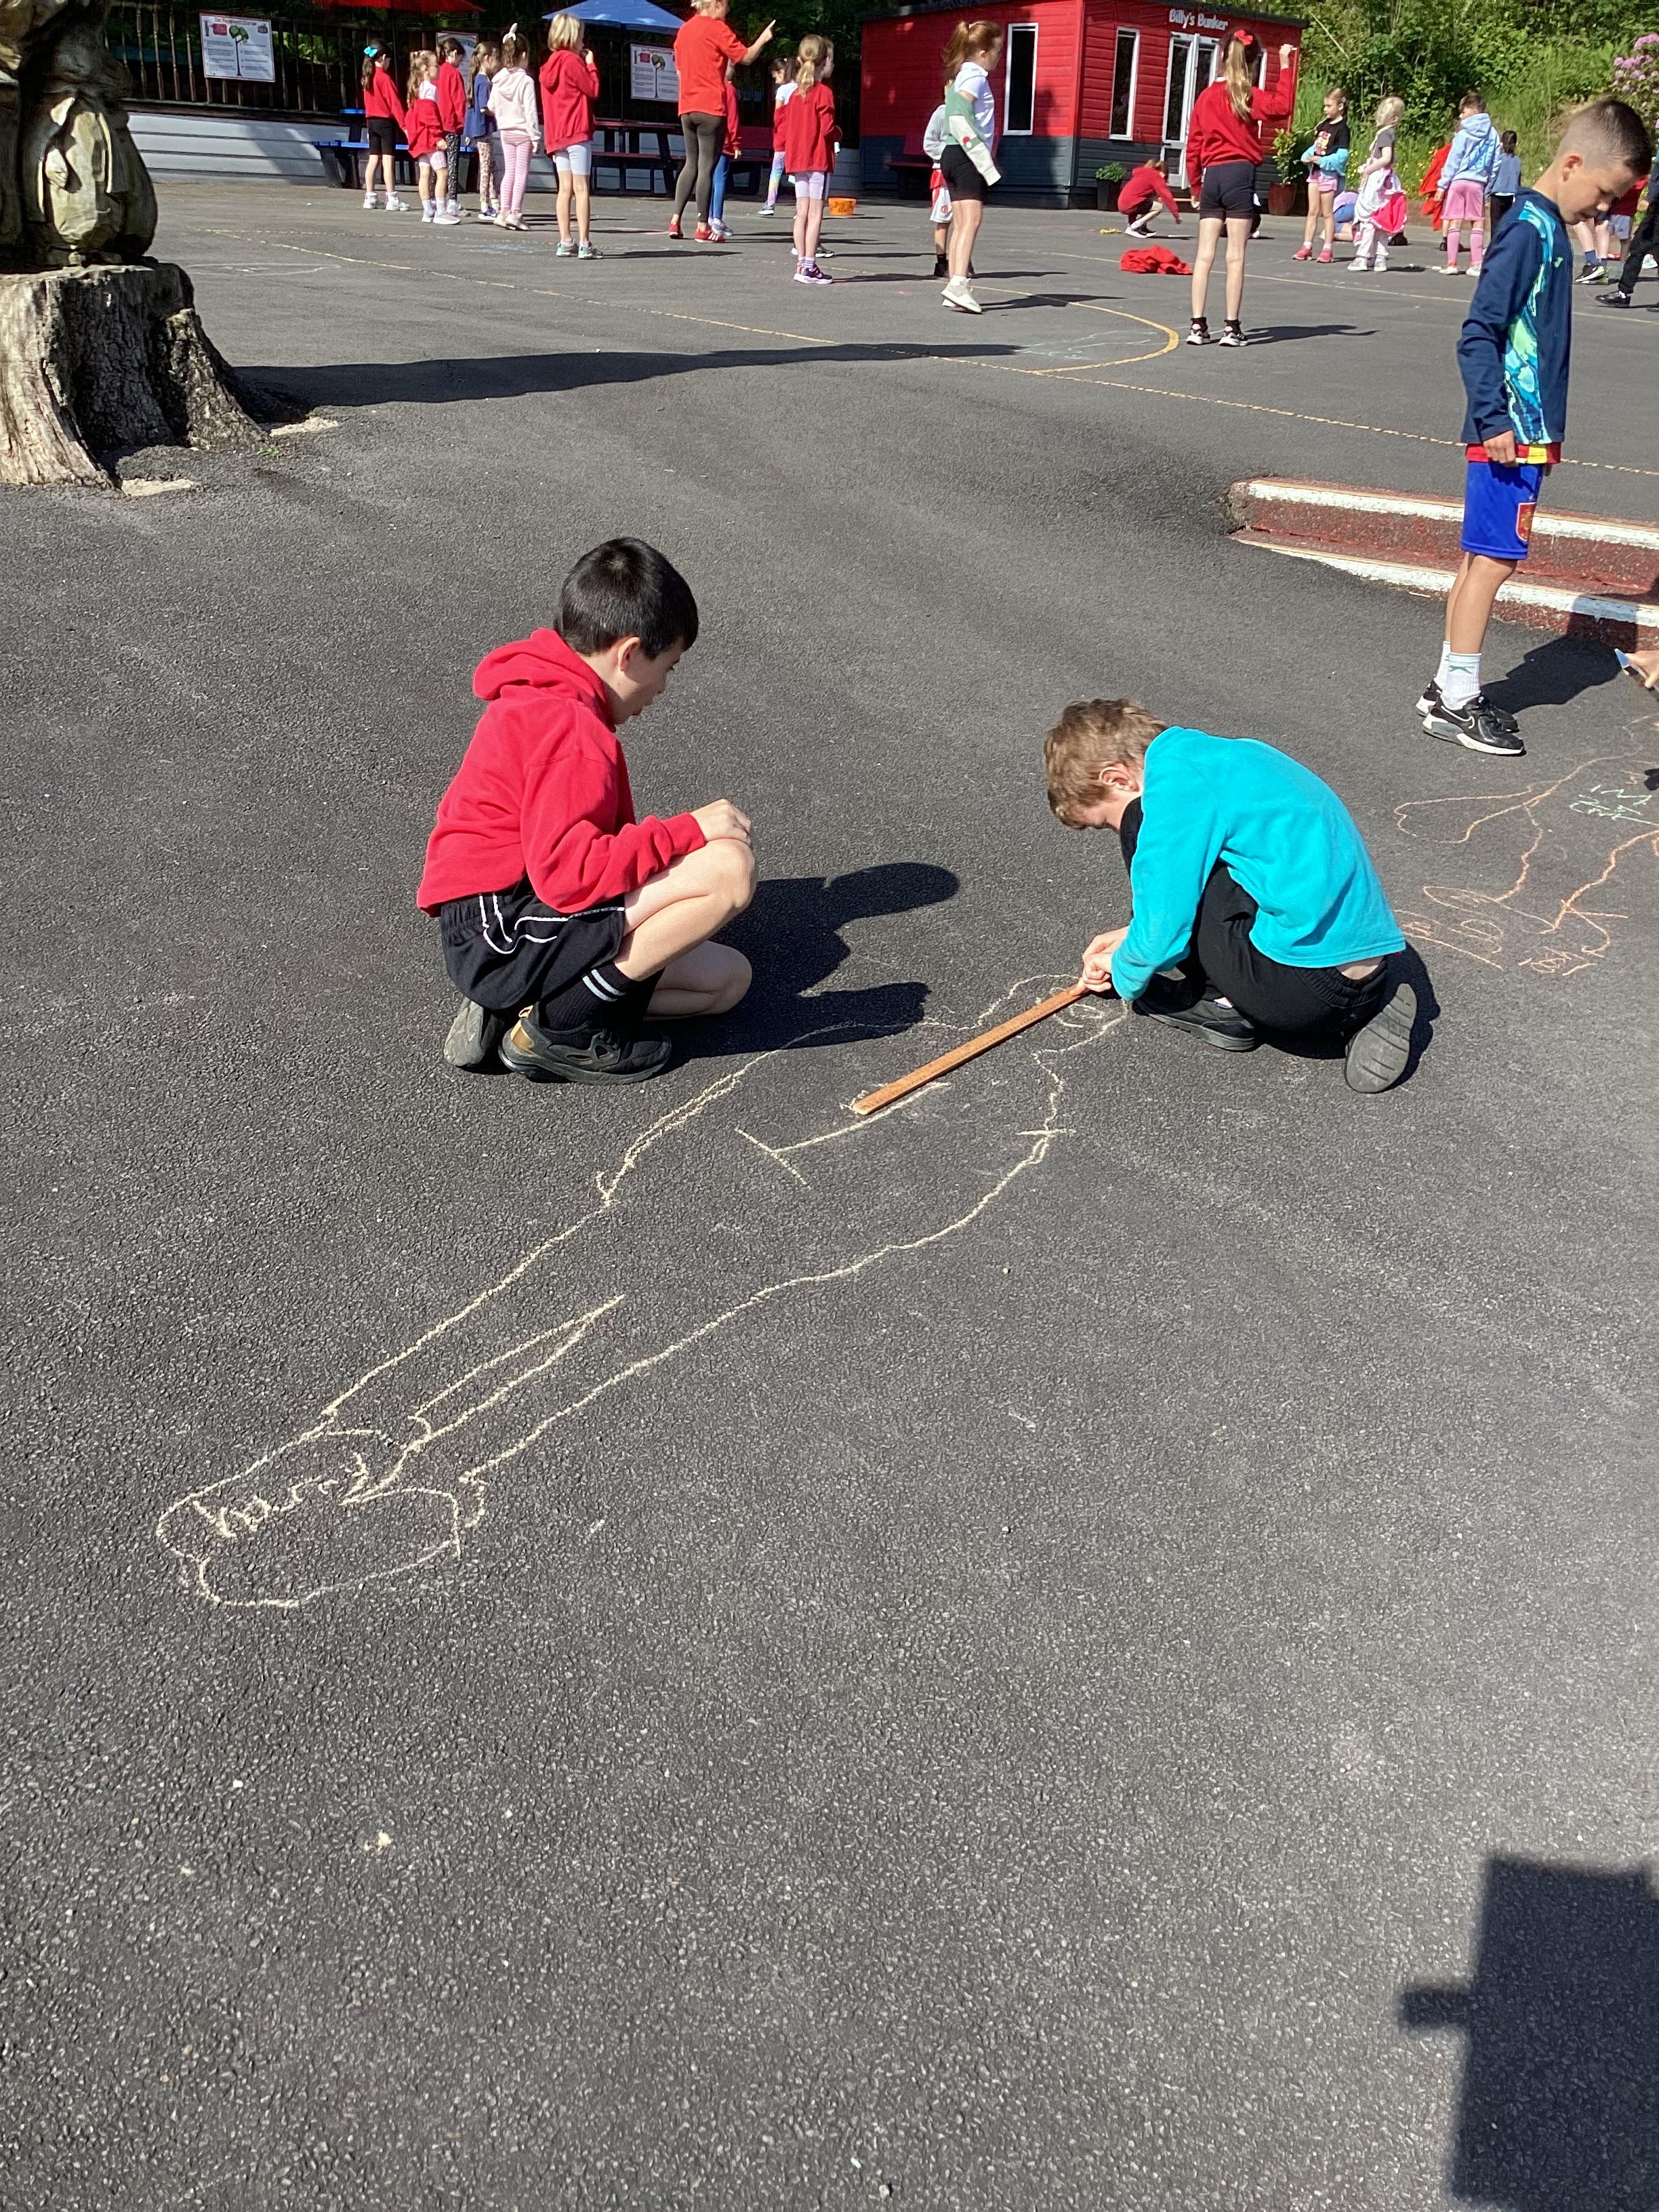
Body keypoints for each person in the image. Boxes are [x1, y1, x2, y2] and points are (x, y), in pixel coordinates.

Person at [419, 539, 756, 1088]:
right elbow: (571, 875)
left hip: (507, 922)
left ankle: (525, 1007)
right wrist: (688, 831)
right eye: (667, 666)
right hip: (503, 934)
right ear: (629, 655)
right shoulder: (571, 728)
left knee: (727, 982)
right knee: (728, 869)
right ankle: (562, 1029)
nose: (662, 687)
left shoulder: (547, 692)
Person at [1417, 99, 1654, 756]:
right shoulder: (1528, 231)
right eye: (1603, 193)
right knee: (1494, 561)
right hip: (1509, 434)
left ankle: (1447, 685)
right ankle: (1458, 701)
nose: (1602, 209)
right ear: (1573, 163)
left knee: (1480, 558)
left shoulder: (1547, 228)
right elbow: (1479, 332)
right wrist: (1495, 417)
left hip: (1526, 431)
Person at [1046, 699, 1416, 1094]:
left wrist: (1124, 970)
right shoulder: (1238, 755)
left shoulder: (1173, 790)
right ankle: (1369, 1008)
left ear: (1118, 779)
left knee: (1143, 823)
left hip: (1301, 993)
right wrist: (1131, 933)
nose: (1114, 833)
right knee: (1210, 859)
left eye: (1106, 823)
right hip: (1367, 965)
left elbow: (1164, 930)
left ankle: (1220, 1002)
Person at [1184, 31, 1298, 346]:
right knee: (1235, 256)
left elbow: (1194, 144)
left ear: (1223, 58)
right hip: (1239, 174)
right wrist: (1285, 65)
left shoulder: (1206, 97)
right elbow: (1282, 107)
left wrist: (1195, 185)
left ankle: (1197, 326)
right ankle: (1231, 328)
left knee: (1204, 254)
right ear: (1251, 63)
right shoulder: (1246, 94)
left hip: (1213, 176)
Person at [670, 0, 774, 241]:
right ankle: (702, 226)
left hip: (687, 106)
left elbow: (680, 71)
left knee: (691, 163)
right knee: (707, 167)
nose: (727, 10)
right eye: (726, 5)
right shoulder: (717, 28)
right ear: (717, 3)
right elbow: (745, 57)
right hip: (710, 107)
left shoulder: (684, 30)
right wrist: (763, 39)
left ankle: (675, 220)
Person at [938, 18, 1003, 314]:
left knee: (962, 223)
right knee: (971, 221)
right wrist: (984, 162)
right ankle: (958, 285)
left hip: (953, 154)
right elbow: (959, 116)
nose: (999, 58)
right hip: (966, 156)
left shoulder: (961, 74)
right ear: (983, 53)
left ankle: (955, 281)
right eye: (997, 52)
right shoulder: (975, 77)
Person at [781, 33, 838, 284]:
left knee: (801, 213)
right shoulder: (823, 93)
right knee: (815, 214)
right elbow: (827, 129)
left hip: (798, 161)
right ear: (823, 61)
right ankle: (810, 266)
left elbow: (786, 129)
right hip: (817, 160)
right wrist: (838, 133)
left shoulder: (794, 96)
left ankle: (801, 265)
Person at [542, 15, 601, 258]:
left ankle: (565, 240)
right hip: (577, 131)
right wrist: (591, 65)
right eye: (581, 37)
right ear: (573, 37)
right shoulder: (573, 62)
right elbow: (593, 89)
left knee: (564, 189)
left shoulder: (548, 65)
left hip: (557, 135)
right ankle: (585, 243)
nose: (583, 41)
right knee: (582, 188)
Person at [488, 27, 541, 233]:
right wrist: (535, 137)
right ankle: (516, 213)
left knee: (509, 171)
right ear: (524, 55)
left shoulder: (498, 79)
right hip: (523, 132)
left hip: (506, 131)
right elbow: (531, 111)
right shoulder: (526, 81)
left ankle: (503, 211)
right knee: (521, 173)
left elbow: (491, 106)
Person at [1439, 94, 1500, 273]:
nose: (1461, 116)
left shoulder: (1463, 134)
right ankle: (1476, 263)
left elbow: (1454, 159)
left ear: (1474, 111)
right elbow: (1496, 162)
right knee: (1478, 223)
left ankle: (1452, 263)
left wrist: (1443, 184)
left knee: (1455, 221)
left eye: (1463, 111)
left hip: (1458, 181)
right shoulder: (1493, 134)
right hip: (1478, 183)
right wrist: (1489, 182)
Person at [1349, 94, 1406, 271]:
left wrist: (1368, 170)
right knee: (1381, 219)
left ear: (1394, 118)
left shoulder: (1385, 134)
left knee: (1369, 218)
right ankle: (1380, 257)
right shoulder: (1388, 133)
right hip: (1385, 179)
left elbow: (1386, 158)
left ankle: (1363, 257)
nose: (1380, 116)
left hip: (1378, 179)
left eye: (1385, 113)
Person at [1293, 87, 1349, 263]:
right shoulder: (1322, 126)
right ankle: (1307, 246)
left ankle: (1327, 248)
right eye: (1325, 106)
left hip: (1329, 174)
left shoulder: (1342, 129)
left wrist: (1322, 161)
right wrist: (1307, 156)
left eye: (1329, 106)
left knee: (1327, 213)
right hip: (1315, 173)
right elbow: (1316, 147)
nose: (1325, 109)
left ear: (1340, 106)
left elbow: (1342, 156)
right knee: (1312, 211)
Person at [405, 52, 455, 226]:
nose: (438, 69)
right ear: (426, 69)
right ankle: (441, 210)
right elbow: (430, 115)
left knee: (424, 174)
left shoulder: (416, 89)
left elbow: (411, 117)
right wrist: (438, 136)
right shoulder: (430, 89)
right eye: (436, 66)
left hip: (420, 140)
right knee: (443, 172)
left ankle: (428, 210)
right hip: (430, 140)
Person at [1599, 171, 1658, 306]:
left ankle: (1624, 292)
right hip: (1655, 207)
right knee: (1637, 248)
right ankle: (1623, 293)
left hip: (1655, 202)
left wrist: (1650, 198)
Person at [360, 43, 406, 213]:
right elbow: (395, 104)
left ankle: (370, 197)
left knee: (373, 159)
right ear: (384, 58)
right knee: (388, 161)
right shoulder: (384, 78)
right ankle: (392, 199)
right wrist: (404, 125)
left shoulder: (368, 77)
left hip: (371, 122)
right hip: (386, 123)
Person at [464, 41, 501, 221]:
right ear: (487, 59)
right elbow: (483, 107)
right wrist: (498, 113)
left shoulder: (477, 79)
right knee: (486, 168)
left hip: (480, 130)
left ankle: (495, 203)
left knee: (491, 166)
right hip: (483, 130)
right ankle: (484, 206)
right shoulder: (483, 81)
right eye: (496, 59)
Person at [434, 38, 468, 223]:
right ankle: (452, 201)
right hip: (452, 124)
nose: (460, 63)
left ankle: (435, 199)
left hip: (438, 124)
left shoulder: (438, 72)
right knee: (453, 164)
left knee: (438, 164)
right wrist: (463, 123)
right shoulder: (454, 74)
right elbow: (460, 101)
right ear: (454, 54)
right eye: (460, 59)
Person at [708, 63, 741, 242]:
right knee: (720, 179)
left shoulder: (710, 87)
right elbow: (733, 118)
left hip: (709, 139)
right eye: (731, 67)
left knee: (710, 178)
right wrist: (736, 143)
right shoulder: (729, 89)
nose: (733, 71)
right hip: (725, 141)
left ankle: (708, 216)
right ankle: (717, 219)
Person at [760, 52, 794, 213]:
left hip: (782, 136)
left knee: (777, 169)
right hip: (797, 136)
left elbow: (778, 114)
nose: (775, 81)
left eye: (776, 77)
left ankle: (770, 203)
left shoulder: (782, 90)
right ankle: (802, 208)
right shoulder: (800, 88)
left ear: (781, 72)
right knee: (799, 172)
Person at [923, 99, 952, 274]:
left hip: (965, 173)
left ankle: (962, 260)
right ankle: (941, 263)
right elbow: (929, 144)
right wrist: (951, 153)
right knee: (943, 220)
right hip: (943, 174)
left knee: (965, 221)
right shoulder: (942, 113)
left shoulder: (970, 112)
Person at [1120, 158, 1182, 239]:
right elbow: (1167, 197)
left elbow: (1137, 197)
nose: (1164, 177)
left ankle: (1139, 227)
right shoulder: (1156, 176)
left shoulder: (1144, 174)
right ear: (1162, 172)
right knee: (1158, 207)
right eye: (1165, 174)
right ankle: (1133, 227)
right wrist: (1176, 215)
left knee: (1148, 201)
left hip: (1123, 202)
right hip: (1130, 203)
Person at [1491, 129, 1521, 229]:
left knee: (1495, 224)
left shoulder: (1497, 159)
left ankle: (1495, 239)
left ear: (1501, 143)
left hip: (1497, 194)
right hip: (1511, 195)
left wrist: (1486, 192)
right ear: (1516, 144)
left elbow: (1493, 177)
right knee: (1507, 224)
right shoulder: (1517, 161)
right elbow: (1518, 180)